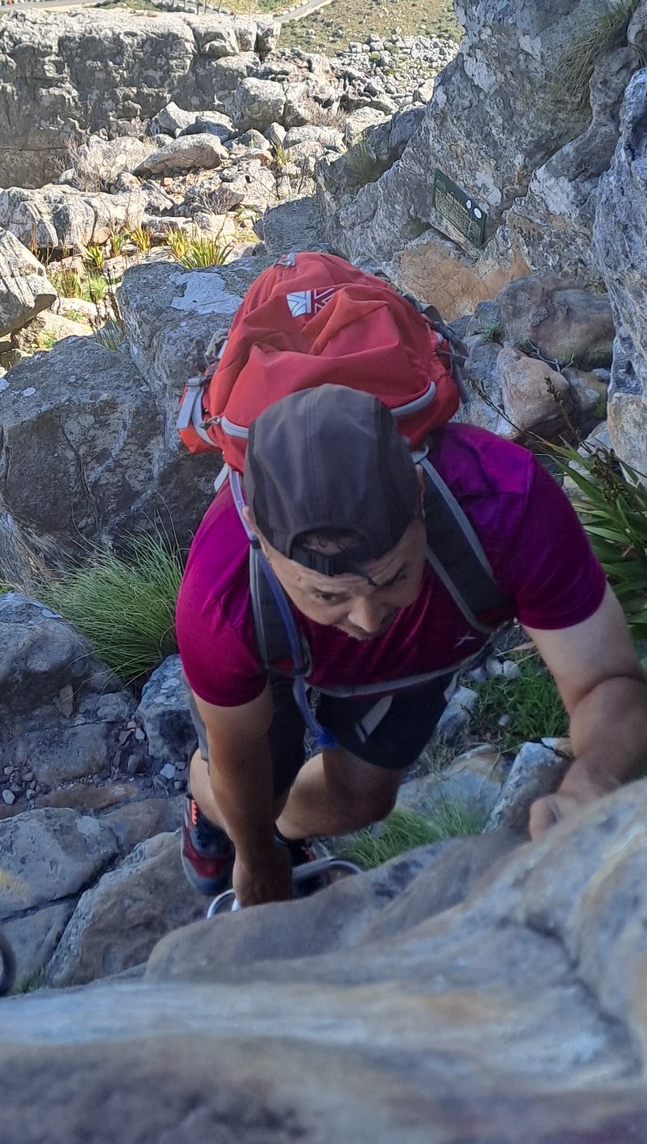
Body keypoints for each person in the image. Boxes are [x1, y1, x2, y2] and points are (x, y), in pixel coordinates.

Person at [177, 382, 647, 908]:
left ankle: (282, 826)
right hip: (273, 640)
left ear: (419, 493)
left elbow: (606, 680)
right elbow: (236, 749)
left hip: (409, 649)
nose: (368, 618)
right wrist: (254, 851)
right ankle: (212, 814)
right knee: (253, 791)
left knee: (362, 799)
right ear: (255, 531)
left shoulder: (507, 504)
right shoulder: (219, 592)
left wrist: (594, 778)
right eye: (327, 594)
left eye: (394, 575)